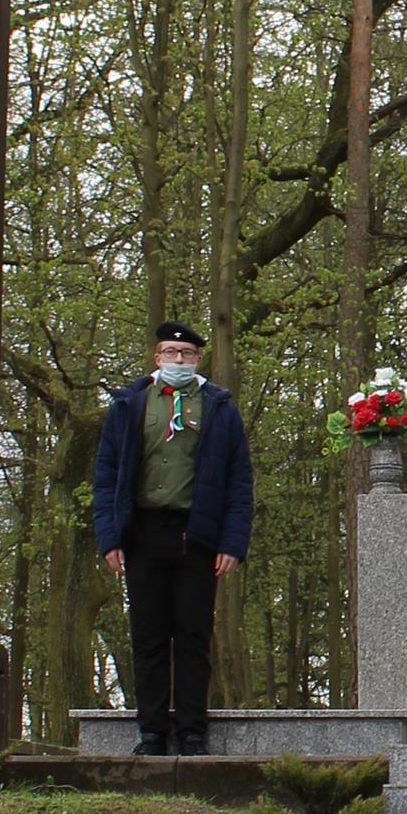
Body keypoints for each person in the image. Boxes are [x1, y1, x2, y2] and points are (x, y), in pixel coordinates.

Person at [92, 320, 254, 756]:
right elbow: (107, 476)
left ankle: (192, 732)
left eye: (185, 355)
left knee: (193, 637)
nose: (177, 361)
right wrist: (109, 538)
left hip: (197, 537)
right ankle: (151, 733)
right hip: (143, 535)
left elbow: (239, 482)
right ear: (156, 358)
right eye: (169, 353)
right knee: (147, 637)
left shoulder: (220, 409)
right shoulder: (130, 405)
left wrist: (232, 544)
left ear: (198, 359)